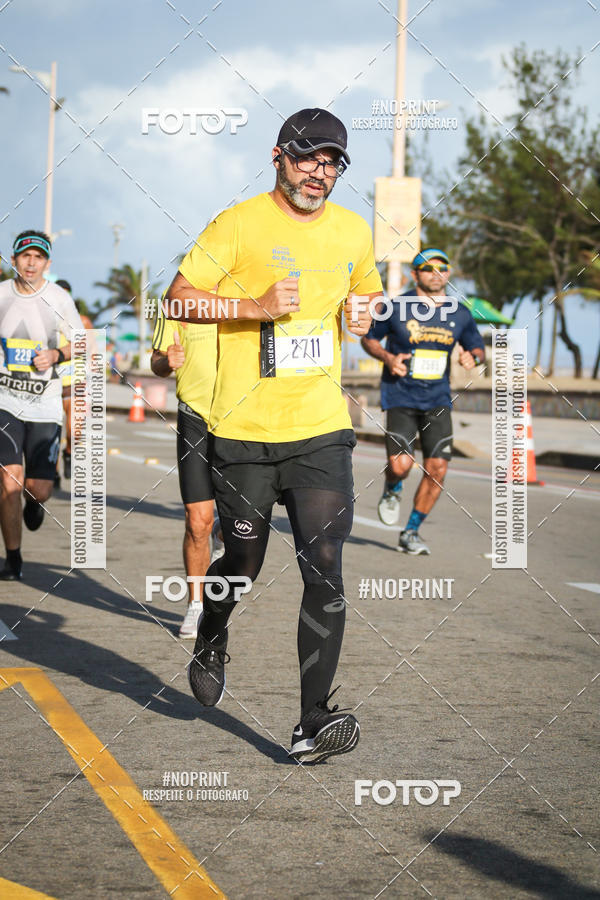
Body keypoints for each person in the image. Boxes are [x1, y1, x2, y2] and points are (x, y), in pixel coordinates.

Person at [165, 108, 382, 762]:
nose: (320, 172)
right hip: (244, 431)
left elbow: (363, 301)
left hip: (319, 427)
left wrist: (363, 312)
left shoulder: (352, 231)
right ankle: (212, 632)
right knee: (245, 563)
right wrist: (253, 308)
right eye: (309, 157)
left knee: (323, 563)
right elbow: (178, 297)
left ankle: (311, 721)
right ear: (279, 156)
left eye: (333, 162)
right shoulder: (238, 224)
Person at [361, 248, 485, 555]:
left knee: (438, 469)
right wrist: (388, 357)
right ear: (414, 274)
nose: (435, 272)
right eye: (427, 267)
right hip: (400, 395)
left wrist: (473, 357)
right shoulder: (396, 307)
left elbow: (477, 346)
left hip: (437, 399)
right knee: (400, 465)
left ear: (449, 273)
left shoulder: (459, 312)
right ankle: (393, 487)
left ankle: (412, 531)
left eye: (442, 267)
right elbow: (368, 337)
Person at [0, 231, 83, 580]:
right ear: (14, 259)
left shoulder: (58, 299)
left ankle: (35, 506)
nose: (30, 263)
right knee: (8, 482)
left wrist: (56, 354)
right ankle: (13, 558)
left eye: (38, 257)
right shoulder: (2, 295)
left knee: (37, 488)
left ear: (46, 263)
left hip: (45, 406)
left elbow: (83, 342)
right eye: (24, 256)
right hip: (5, 402)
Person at [151, 312, 223, 639]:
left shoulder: (247, 289)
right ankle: (197, 605)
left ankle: (223, 534)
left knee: (242, 521)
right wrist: (168, 361)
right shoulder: (178, 301)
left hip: (243, 422)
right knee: (197, 521)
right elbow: (156, 363)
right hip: (194, 418)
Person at [53, 283, 93, 486]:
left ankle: (68, 452)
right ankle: (53, 472)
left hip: (75, 382)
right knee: (52, 432)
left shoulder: (82, 321)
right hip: (52, 383)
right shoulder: (44, 318)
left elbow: (94, 348)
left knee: (74, 432)